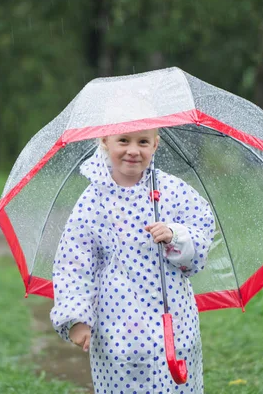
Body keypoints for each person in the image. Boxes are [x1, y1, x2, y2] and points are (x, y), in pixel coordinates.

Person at [50, 128, 215, 393]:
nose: (133, 150)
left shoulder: (171, 190)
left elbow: (201, 231)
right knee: (124, 383)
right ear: (105, 141)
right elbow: (75, 262)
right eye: (123, 140)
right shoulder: (93, 200)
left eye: (143, 142)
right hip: (118, 323)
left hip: (172, 317)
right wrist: (76, 317)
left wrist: (175, 236)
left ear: (155, 145)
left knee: (174, 384)